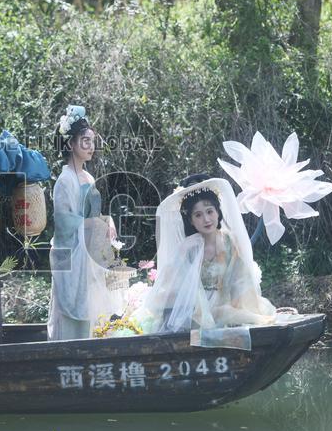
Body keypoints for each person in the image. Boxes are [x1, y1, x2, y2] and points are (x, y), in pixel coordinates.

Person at [136, 174, 274, 349]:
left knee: (242, 316)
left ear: (218, 212)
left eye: (210, 211)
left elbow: (240, 280)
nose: (206, 219)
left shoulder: (229, 241)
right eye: (198, 215)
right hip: (193, 312)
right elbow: (168, 287)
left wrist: (242, 307)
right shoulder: (188, 247)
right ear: (191, 221)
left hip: (224, 307)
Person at [47, 106, 125, 340]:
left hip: (88, 254)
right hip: (71, 254)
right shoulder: (64, 181)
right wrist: (94, 223)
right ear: (71, 144)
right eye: (85, 141)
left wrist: (106, 221)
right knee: (70, 315)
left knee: (93, 315)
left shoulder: (88, 177)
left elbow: (93, 215)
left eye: (92, 141)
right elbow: (64, 224)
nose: (91, 146)